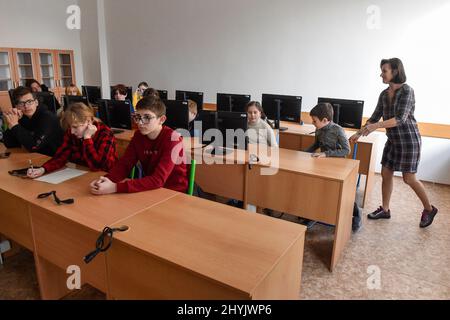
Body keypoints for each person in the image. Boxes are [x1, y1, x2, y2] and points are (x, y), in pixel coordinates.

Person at [350, 58, 438, 228]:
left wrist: (377, 126)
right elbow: (374, 117)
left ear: (395, 72)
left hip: (409, 141)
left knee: (408, 178)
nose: (381, 74)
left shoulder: (407, 91)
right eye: (381, 70)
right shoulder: (384, 94)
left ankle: (429, 208)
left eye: (384, 71)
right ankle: (385, 209)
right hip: (393, 141)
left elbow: (400, 119)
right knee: (386, 173)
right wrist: (358, 133)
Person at [89, 96, 188, 194]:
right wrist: (105, 181)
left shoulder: (173, 139)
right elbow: (124, 165)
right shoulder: (138, 136)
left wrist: (115, 187)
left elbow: (158, 180)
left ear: (161, 119)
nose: (140, 123)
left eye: (147, 118)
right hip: (152, 188)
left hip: (174, 192)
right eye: (137, 117)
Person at [305, 102, 362, 231]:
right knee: (318, 188)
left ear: (325, 120)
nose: (313, 123)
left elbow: (346, 150)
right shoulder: (318, 129)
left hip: (339, 165)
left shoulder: (338, 130)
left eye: (314, 121)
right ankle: (315, 214)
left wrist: (326, 154)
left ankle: (357, 215)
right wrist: (303, 153)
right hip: (324, 164)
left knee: (343, 192)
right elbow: (316, 145)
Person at [27, 102, 118, 178]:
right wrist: (43, 169)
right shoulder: (72, 132)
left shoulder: (106, 134)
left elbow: (97, 166)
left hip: (105, 178)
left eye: (75, 127)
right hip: (82, 175)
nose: (72, 131)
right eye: (70, 127)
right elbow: (61, 156)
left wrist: (87, 138)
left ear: (89, 121)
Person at [2, 86, 63, 156]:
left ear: (36, 102)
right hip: (36, 157)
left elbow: (34, 146)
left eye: (29, 101)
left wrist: (15, 125)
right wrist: (11, 124)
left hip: (56, 159)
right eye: (21, 103)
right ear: (16, 107)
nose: (26, 106)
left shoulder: (48, 117)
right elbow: (11, 144)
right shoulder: (22, 118)